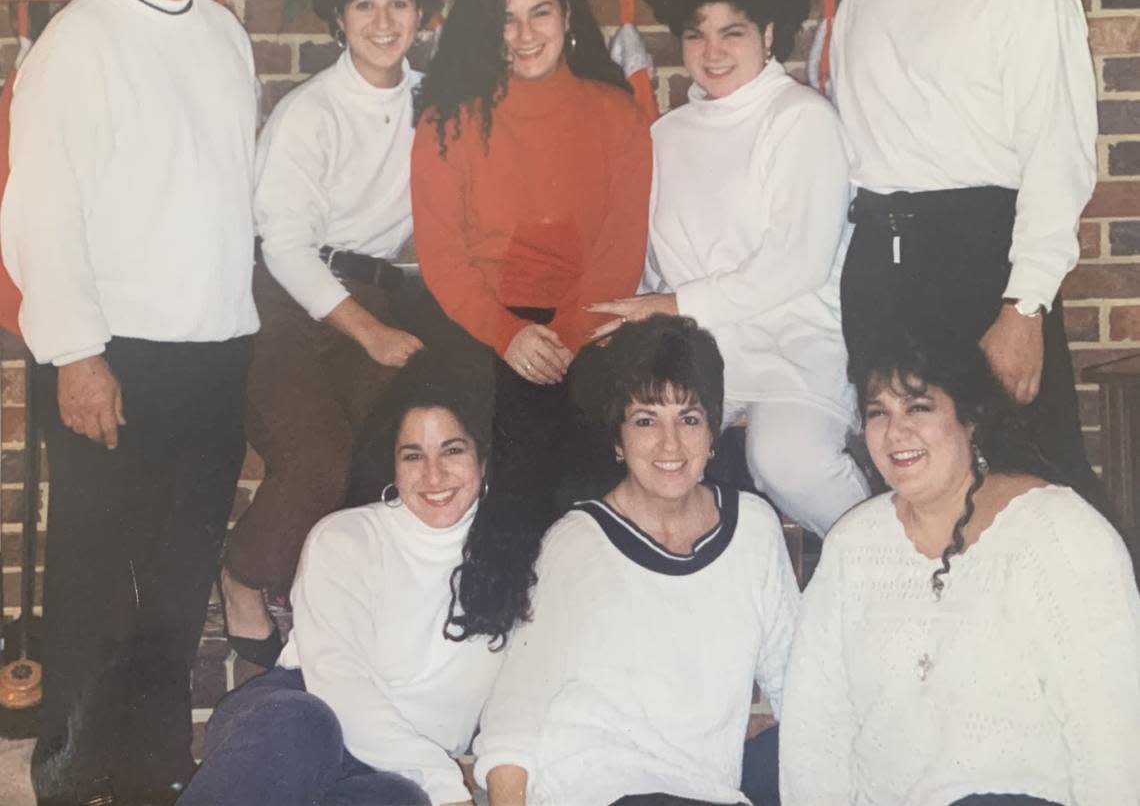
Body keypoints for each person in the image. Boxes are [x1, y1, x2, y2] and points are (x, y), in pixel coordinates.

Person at [0, 0, 260, 805]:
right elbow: (40, 213)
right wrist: (76, 354)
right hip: (111, 354)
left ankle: (150, 767)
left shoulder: (226, 36)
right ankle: (69, 773)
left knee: (179, 581)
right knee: (96, 584)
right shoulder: (74, 45)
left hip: (212, 348)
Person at [831, 0, 1097, 478]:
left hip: (980, 263)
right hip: (879, 267)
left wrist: (1025, 305)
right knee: (904, 479)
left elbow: (1055, 158)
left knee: (1026, 480)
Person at [587, 0, 870, 536]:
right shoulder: (667, 134)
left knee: (787, 460)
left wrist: (671, 305)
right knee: (611, 448)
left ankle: (890, 564)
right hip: (695, 353)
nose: (712, 52)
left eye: (732, 32)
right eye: (696, 34)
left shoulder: (801, 120)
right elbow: (648, 262)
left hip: (792, 346)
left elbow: (797, 266)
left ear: (768, 34)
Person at [779, 332, 1140, 804]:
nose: (895, 432)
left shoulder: (1057, 533)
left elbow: (1113, 734)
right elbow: (815, 727)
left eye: (918, 408)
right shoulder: (852, 544)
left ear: (970, 418)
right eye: (877, 413)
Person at [219, 0, 448, 668]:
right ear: (337, 18)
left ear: (423, 16)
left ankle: (342, 627)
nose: (383, 21)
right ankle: (242, 573)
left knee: (375, 466)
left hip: (376, 294)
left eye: (400, 2)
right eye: (364, 3)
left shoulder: (434, 105)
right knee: (316, 457)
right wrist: (368, 333)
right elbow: (284, 244)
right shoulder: (311, 112)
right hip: (285, 299)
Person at [180, 350, 542, 806]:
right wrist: (445, 784)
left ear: (483, 460)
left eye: (452, 450)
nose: (434, 475)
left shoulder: (523, 557)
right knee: (298, 727)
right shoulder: (347, 537)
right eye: (413, 456)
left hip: (400, 774)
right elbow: (338, 678)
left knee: (394, 799)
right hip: (302, 718)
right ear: (392, 466)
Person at [475, 315, 799, 806]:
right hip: (592, 789)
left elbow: (796, 684)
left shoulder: (754, 528)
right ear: (618, 440)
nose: (670, 445)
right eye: (645, 420)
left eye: (688, 418)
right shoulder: (577, 542)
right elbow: (514, 716)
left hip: (702, 792)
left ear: (713, 433)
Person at [411, 0, 651, 509]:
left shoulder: (617, 114)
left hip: (585, 325)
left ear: (567, 16)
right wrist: (508, 334)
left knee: (586, 460)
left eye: (539, 12)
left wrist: (564, 339)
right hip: (480, 325)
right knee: (496, 442)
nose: (524, 36)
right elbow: (444, 257)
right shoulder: (448, 122)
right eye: (506, 20)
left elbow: (620, 253)